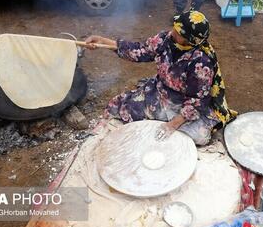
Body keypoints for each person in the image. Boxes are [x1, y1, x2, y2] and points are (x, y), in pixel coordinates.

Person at [85, 10, 236, 146]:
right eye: (175, 26)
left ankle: (170, 121)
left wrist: (172, 125)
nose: (172, 31)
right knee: (125, 108)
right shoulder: (165, 39)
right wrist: (103, 41)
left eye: (178, 31)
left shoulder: (201, 64)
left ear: (188, 40)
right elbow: (141, 50)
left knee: (199, 136)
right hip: (161, 93)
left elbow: (197, 101)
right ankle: (158, 115)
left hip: (184, 103)